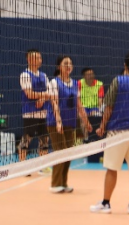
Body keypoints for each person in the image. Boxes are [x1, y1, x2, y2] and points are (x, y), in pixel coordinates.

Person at [90, 51, 129, 215]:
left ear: (125, 65)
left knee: (112, 168)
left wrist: (102, 126)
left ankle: (106, 203)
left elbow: (109, 107)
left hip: (117, 131)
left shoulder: (118, 81)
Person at [47, 55, 89, 193]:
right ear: (59, 67)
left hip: (70, 123)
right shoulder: (54, 82)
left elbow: (79, 104)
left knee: (68, 153)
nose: (68, 66)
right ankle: (55, 184)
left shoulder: (75, 84)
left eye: (70, 63)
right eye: (65, 63)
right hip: (55, 123)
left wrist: (86, 121)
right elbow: (54, 103)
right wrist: (58, 121)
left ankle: (63, 183)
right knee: (61, 152)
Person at [19, 49, 50, 162]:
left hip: (43, 112)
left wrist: (43, 98)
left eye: (40, 57)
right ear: (29, 59)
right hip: (30, 112)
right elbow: (29, 94)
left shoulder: (44, 75)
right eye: (36, 58)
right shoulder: (25, 75)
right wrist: (44, 95)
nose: (39, 60)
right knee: (26, 139)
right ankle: (22, 164)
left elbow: (51, 92)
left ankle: (43, 165)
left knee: (44, 140)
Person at [79, 67, 105, 139]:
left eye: (92, 74)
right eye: (88, 75)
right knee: (82, 118)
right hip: (82, 108)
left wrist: (97, 110)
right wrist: (82, 111)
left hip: (94, 108)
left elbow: (100, 100)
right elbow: (77, 99)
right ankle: (86, 138)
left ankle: (97, 137)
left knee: (96, 115)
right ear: (84, 76)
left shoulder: (99, 84)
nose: (91, 76)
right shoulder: (79, 83)